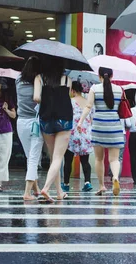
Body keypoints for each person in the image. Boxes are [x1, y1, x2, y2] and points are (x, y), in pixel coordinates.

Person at [77, 67, 124, 196]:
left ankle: (102, 186)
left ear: (99, 77)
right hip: (114, 125)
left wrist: (80, 121)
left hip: (98, 126)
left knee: (99, 158)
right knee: (114, 159)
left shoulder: (94, 89)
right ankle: (115, 177)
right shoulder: (119, 90)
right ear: (112, 76)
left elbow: (88, 106)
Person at [34, 57, 72, 202]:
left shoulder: (39, 78)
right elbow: (66, 97)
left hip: (46, 119)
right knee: (58, 158)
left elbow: (36, 97)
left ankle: (59, 191)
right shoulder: (67, 79)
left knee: (53, 158)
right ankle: (46, 188)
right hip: (64, 120)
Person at [15, 56, 43, 201]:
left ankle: (36, 189)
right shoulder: (38, 80)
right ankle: (27, 192)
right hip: (35, 122)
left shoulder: (18, 80)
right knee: (33, 157)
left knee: (30, 156)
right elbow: (38, 98)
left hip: (21, 122)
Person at [62, 81, 93, 193]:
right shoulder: (88, 103)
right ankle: (87, 182)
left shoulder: (69, 102)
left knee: (68, 160)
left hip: (72, 134)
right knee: (85, 161)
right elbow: (91, 119)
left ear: (73, 90)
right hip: (85, 134)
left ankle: (66, 184)